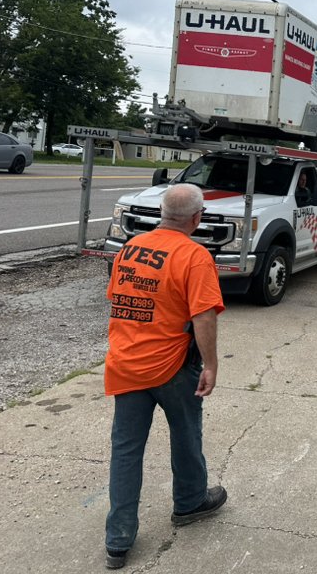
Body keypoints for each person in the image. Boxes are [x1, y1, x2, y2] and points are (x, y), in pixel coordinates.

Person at [103, 183, 227, 570]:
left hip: (126, 363)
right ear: (196, 218)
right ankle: (190, 502)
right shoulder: (194, 256)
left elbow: (119, 301)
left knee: (126, 451)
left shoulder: (130, 249)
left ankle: (118, 540)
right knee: (186, 434)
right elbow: (203, 316)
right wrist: (211, 364)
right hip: (172, 366)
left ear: (162, 213)